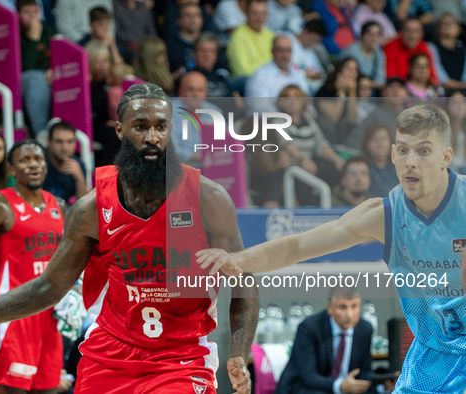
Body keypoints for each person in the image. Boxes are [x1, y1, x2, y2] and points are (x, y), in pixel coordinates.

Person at [0, 83, 259, 394]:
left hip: (180, 358)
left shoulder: (208, 199)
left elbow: (245, 279)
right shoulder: (91, 207)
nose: (152, 138)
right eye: (140, 127)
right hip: (110, 355)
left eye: (160, 127)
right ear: (120, 130)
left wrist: (240, 349)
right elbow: (47, 289)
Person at [197, 103, 466, 394]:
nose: (411, 161)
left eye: (424, 151)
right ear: (392, 154)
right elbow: (296, 247)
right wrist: (235, 257)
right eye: (403, 150)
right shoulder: (384, 215)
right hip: (428, 365)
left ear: (445, 157)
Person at [0, 139, 67, 393]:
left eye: (38, 159)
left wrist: (72, 294)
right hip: (13, 316)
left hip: (51, 318)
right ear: (11, 169)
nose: (34, 165)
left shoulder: (59, 206)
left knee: (50, 390)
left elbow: (66, 264)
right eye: (25, 160)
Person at [275, 287, 376, 394]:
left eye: (354, 306)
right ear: (330, 308)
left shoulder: (364, 329)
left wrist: (381, 384)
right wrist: (340, 386)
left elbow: (364, 371)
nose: (349, 315)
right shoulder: (309, 328)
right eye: (342, 307)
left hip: (346, 389)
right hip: (307, 388)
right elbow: (308, 376)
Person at [18, 0, 55, 137]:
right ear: (18, 14)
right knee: (36, 78)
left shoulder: (48, 30)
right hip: (25, 80)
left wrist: (55, 68)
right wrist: (34, 39)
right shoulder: (15, 32)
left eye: (35, 12)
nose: (32, 16)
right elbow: (27, 67)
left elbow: (60, 54)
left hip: (49, 75)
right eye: (27, 12)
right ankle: (41, 132)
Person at [170, 71, 222, 167]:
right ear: (181, 91)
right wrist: (201, 156)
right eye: (191, 89)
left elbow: (224, 145)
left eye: (200, 90)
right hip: (182, 168)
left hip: (212, 167)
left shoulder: (215, 112)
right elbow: (169, 150)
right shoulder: (169, 112)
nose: (196, 94)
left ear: (206, 93)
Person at [245, 35, 309, 110]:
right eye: (281, 50)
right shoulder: (260, 75)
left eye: (288, 50)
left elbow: (306, 100)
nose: (285, 55)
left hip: (296, 118)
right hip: (270, 120)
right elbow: (260, 108)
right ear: (272, 51)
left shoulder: (298, 73)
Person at [315, 57, 360, 145]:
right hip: (325, 131)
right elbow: (333, 118)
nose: (352, 72)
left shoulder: (354, 90)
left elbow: (353, 120)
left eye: (355, 70)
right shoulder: (326, 89)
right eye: (348, 68)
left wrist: (352, 93)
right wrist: (341, 92)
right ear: (339, 71)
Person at [226, 0, 275, 77]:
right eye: (255, 13)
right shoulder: (238, 36)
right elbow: (242, 70)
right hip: (247, 81)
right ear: (246, 13)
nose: (259, 18)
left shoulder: (271, 35)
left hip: (271, 78)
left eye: (263, 14)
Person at [43, 121, 88, 202]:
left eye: (70, 141)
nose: (65, 147)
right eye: (59, 142)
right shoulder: (39, 163)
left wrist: (79, 178)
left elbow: (83, 205)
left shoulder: (78, 165)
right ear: (49, 142)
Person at [383, 18, 438, 84]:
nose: (412, 35)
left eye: (416, 31)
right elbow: (392, 79)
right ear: (401, 32)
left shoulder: (423, 46)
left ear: (422, 34)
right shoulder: (390, 47)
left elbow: (432, 77)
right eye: (408, 30)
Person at [341, 21, 387, 88]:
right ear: (362, 34)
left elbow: (381, 81)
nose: (374, 38)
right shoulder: (352, 50)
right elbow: (343, 74)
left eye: (377, 35)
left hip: (368, 89)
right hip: (349, 85)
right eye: (370, 34)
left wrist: (367, 84)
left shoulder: (379, 54)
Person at [427, 13, 466, 91]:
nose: (449, 26)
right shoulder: (431, 47)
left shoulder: (463, 49)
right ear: (438, 28)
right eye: (445, 23)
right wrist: (460, 86)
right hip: (441, 90)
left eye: (453, 23)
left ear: (459, 28)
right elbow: (440, 78)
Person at [362, 123, 399, 197]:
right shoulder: (362, 167)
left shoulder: (399, 166)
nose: (379, 143)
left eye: (383, 138)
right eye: (374, 139)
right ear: (366, 144)